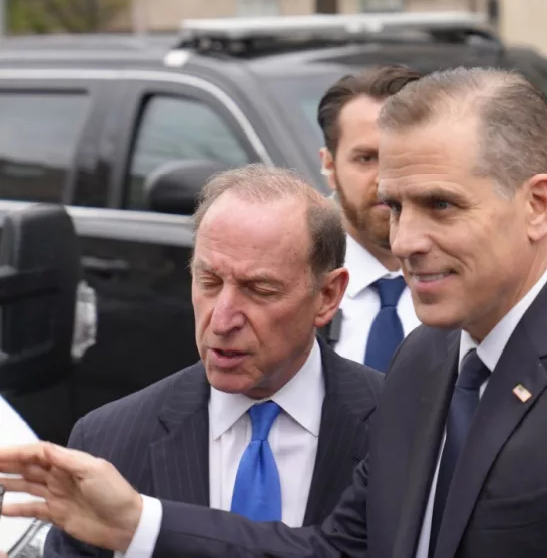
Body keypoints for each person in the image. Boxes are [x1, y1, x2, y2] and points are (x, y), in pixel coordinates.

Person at [0, 67, 547, 558]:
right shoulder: (428, 359)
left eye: (441, 205)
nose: (407, 239)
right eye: (393, 205)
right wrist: (139, 523)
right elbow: (338, 551)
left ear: (538, 205)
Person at [42, 165, 384, 557]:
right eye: (209, 282)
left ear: (327, 295)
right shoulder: (109, 441)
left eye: (259, 290)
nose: (221, 320)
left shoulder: (400, 427)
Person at [317, 65, 423, 372]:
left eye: (403, 156)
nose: (385, 181)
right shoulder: (294, 295)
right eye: (366, 158)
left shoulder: (479, 293)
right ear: (329, 166)